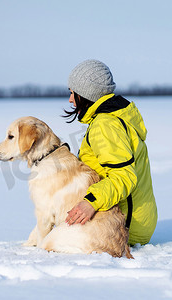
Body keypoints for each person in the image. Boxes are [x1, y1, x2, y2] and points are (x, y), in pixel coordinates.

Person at [63, 59, 158, 246]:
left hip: (123, 226)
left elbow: (123, 176)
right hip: (137, 219)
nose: (70, 99)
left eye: (73, 93)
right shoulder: (112, 118)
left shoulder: (105, 125)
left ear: (87, 93)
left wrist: (91, 202)